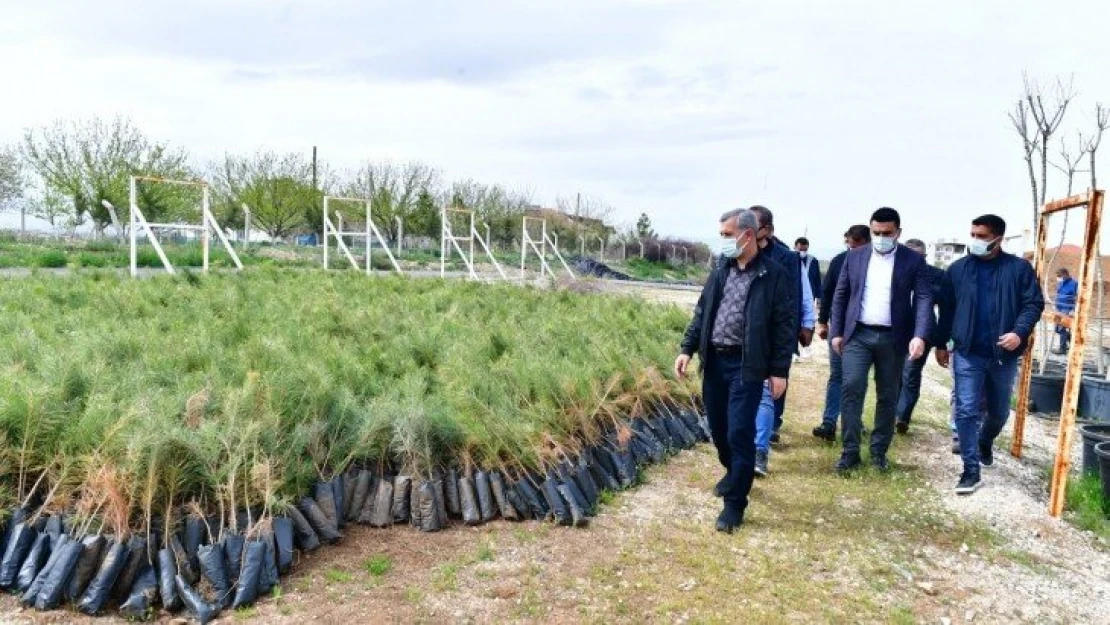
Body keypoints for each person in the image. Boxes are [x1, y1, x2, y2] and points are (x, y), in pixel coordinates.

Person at [675, 208, 795, 532]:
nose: (723, 241)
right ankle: (733, 473)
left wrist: (779, 370)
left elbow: (785, 326)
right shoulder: (720, 271)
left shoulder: (773, 275)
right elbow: (702, 313)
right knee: (718, 429)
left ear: (748, 234)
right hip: (714, 361)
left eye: (727, 235)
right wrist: (687, 349)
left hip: (747, 365)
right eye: (722, 236)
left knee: (739, 431)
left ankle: (735, 505)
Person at [935, 214, 1044, 495]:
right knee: (967, 409)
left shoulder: (1018, 269)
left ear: (998, 238)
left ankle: (985, 440)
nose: (975, 241)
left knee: (998, 412)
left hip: (1002, 356)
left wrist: (1019, 332)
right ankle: (970, 469)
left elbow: (1033, 304)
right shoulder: (958, 270)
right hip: (967, 352)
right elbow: (946, 309)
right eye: (973, 234)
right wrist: (940, 343)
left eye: (982, 236)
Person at [829, 207, 932, 472]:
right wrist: (836, 332)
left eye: (887, 233)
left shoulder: (913, 261)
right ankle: (850, 451)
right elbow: (841, 294)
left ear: (898, 232)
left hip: (894, 337)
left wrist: (919, 335)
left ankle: (878, 453)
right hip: (858, 335)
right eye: (876, 232)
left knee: (888, 395)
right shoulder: (855, 257)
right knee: (852, 388)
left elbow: (923, 298)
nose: (881, 237)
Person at [749, 206, 813, 476]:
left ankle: (760, 449)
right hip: (742, 336)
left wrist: (806, 324)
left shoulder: (786, 258)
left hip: (773, 333)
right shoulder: (736, 254)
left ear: (768, 230)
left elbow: (798, 295)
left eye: (753, 226)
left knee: (767, 391)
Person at [812, 225, 871, 442]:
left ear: (866, 242)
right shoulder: (838, 261)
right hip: (838, 329)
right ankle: (829, 422)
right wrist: (822, 322)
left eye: (855, 245)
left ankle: (855, 421)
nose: (851, 248)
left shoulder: (875, 264)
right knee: (837, 375)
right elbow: (826, 294)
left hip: (863, 331)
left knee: (857, 379)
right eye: (849, 244)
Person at [893, 239, 945, 434]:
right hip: (896, 330)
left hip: (922, 332)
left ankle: (902, 417)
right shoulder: (894, 271)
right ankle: (893, 411)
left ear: (925, 257)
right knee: (894, 373)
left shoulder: (937, 275)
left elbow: (945, 304)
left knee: (911, 373)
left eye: (919, 256)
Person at [1053, 267, 1077, 353]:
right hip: (1059, 308)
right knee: (1057, 329)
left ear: (1065, 274)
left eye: (1059, 276)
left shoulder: (1074, 283)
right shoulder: (1060, 283)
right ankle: (1072, 342)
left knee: (1062, 328)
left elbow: (1077, 297)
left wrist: (1073, 310)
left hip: (1067, 308)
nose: (1058, 278)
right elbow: (1058, 294)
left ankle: (1062, 348)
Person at [795, 237, 822, 310]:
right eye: (800, 249)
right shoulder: (789, 259)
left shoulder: (813, 261)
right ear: (795, 247)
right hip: (793, 294)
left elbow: (817, 280)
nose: (803, 252)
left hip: (809, 295)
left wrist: (819, 297)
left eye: (805, 250)